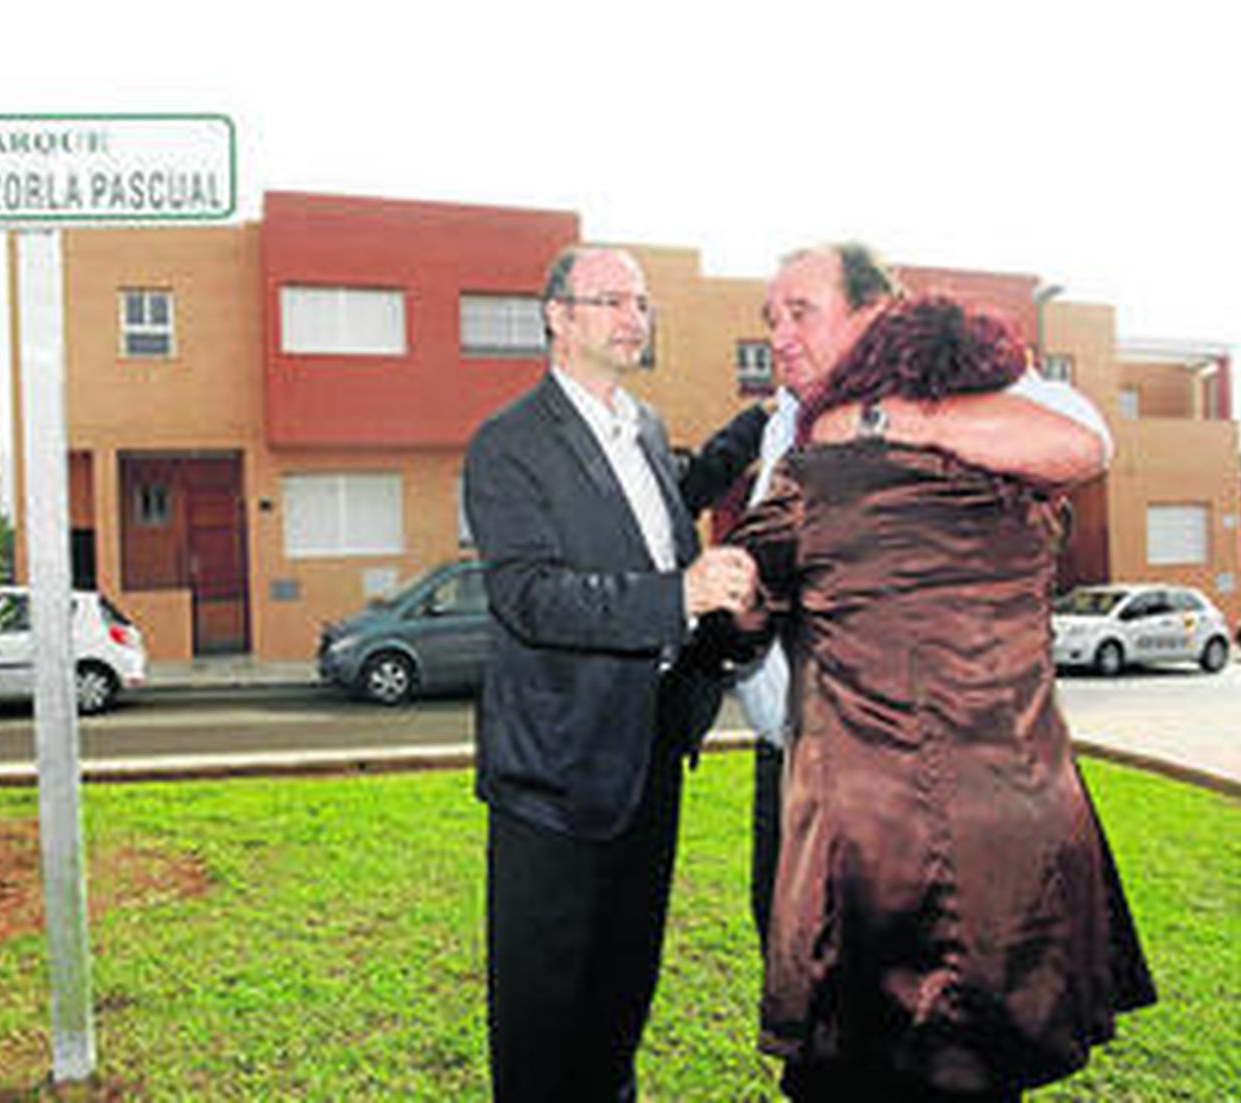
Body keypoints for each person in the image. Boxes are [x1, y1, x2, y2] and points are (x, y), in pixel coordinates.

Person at [722, 294, 1156, 1100]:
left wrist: (733, 601)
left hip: (875, 848)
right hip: (1018, 842)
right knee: (988, 1064)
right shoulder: (1031, 508)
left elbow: (739, 604)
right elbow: (1075, 441)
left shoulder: (816, 482)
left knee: (853, 1069)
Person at [682, 244, 1115, 954]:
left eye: (800, 312)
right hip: (793, 765)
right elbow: (768, 586)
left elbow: (1085, 441)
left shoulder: (969, 382)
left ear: (873, 313)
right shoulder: (783, 418)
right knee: (803, 975)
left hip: (930, 779)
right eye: (770, 317)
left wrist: (885, 422)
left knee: (942, 1000)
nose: (778, 336)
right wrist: (746, 604)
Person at [462, 245, 760, 1102]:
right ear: (556, 315)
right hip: (554, 773)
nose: (635, 317)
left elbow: (661, 522)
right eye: (611, 300)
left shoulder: (647, 427)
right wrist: (680, 593)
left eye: (642, 301)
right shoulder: (508, 444)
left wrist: (757, 428)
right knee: (542, 1016)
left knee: (621, 995)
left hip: (649, 754)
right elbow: (529, 596)